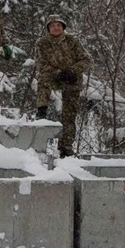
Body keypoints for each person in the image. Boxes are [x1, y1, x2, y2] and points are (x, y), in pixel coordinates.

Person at [34, 14, 92, 157]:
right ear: (48, 28)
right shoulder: (42, 43)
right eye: (53, 25)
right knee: (43, 81)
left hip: (72, 78)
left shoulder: (72, 41)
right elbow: (41, 65)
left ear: (63, 27)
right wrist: (58, 73)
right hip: (53, 76)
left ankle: (66, 146)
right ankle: (41, 110)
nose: (56, 28)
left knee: (69, 114)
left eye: (59, 25)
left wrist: (72, 71)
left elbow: (87, 59)